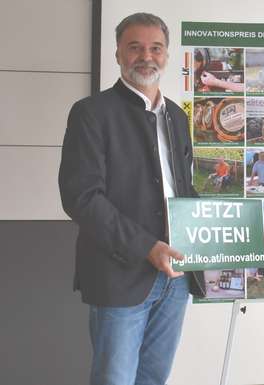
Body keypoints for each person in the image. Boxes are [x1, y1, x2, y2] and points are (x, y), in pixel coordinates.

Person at [58, 13, 206, 385]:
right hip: (120, 274)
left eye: (155, 48)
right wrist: (146, 247)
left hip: (176, 277)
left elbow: (181, 189)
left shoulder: (176, 115)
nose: (146, 56)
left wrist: (222, 230)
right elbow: (81, 197)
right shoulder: (91, 113)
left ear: (167, 55)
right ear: (118, 55)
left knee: (154, 378)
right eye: (135, 47)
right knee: (115, 380)